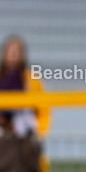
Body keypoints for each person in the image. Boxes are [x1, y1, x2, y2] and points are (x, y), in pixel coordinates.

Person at [0, 35, 49, 172]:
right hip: (3, 137)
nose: (13, 56)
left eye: (17, 52)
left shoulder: (31, 80)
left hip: (25, 137)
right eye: (11, 52)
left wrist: (38, 131)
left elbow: (43, 110)